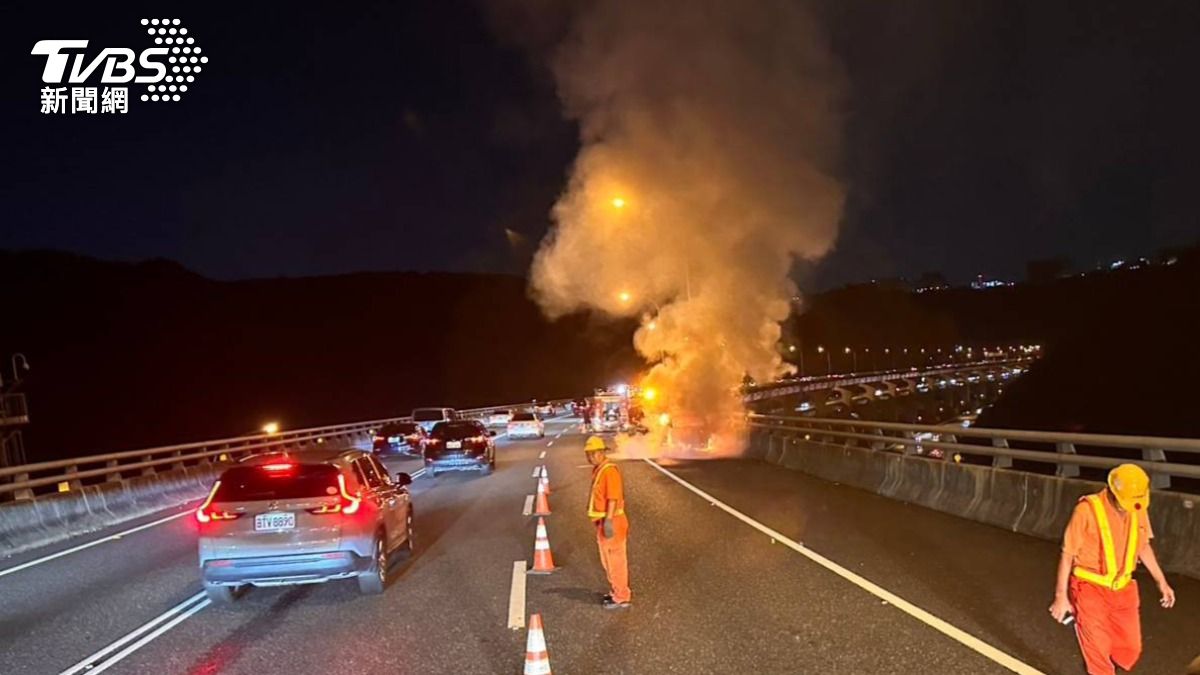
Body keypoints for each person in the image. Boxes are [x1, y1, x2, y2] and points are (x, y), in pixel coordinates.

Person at [1049, 464, 1176, 675]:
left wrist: (1161, 581)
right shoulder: (1086, 510)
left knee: (1130, 649)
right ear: (1113, 491)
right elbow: (1068, 553)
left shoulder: (1136, 507)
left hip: (1124, 590)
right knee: (1098, 651)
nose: (1131, 506)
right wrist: (1061, 597)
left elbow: (1142, 545)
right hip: (1089, 588)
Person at [584, 435, 631, 609]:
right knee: (608, 560)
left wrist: (609, 521)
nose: (590, 457)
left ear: (602, 452)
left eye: (594, 453)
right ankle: (616, 591)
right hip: (603, 521)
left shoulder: (609, 471)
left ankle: (621, 596)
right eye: (588, 454)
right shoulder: (599, 469)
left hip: (612, 522)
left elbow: (613, 497)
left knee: (615, 561)